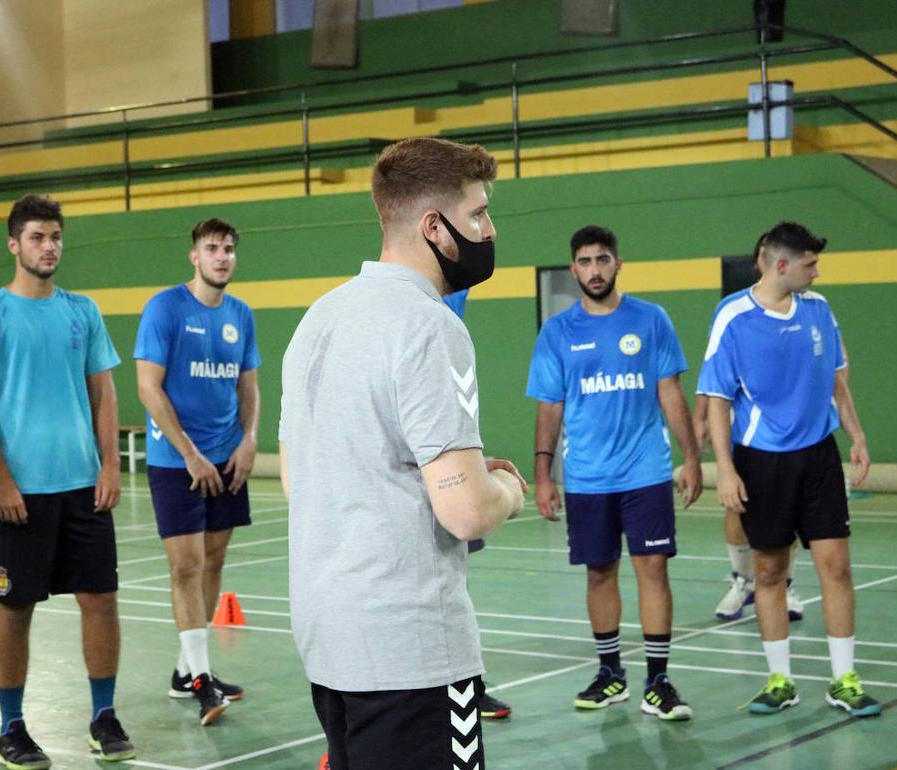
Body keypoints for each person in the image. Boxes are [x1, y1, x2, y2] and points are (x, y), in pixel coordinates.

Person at [279, 137, 526, 770]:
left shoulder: (319, 319)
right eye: (477, 215)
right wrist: (506, 491)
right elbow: (467, 512)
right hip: (412, 650)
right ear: (433, 227)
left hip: (328, 642)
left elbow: (299, 476)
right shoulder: (430, 325)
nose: (489, 230)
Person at [0, 194, 133, 768]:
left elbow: (103, 392)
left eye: (54, 236)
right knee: (17, 606)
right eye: (36, 236)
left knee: (100, 599)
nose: (48, 246)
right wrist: (2, 480)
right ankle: (11, 726)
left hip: (84, 486)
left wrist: (110, 464)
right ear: (13, 244)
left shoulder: (82, 311)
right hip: (20, 493)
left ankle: (103, 716)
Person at [698, 221, 880, 717]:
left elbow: (838, 379)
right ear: (782, 265)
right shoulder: (732, 316)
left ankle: (844, 679)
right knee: (770, 571)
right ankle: (780, 680)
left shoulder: (819, 311)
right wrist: (727, 470)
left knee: (836, 567)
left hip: (818, 456)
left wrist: (856, 435)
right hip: (761, 461)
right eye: (809, 264)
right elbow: (716, 398)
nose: (816, 272)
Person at [527, 224, 701, 721]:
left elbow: (670, 392)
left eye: (603, 260)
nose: (594, 270)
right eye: (584, 262)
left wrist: (690, 457)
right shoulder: (557, 332)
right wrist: (543, 475)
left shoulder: (651, 319)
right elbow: (549, 408)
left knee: (653, 568)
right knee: (599, 573)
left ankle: (659, 681)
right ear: (573, 269)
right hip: (586, 477)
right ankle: (610, 674)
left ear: (617, 263)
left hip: (645, 470)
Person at [134, 217, 259, 725]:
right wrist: (189, 453)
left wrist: (249, 442)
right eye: (212, 248)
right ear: (194, 256)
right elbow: (148, 387)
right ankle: (204, 684)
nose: (222, 256)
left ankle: (188, 671)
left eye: (229, 248)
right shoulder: (165, 308)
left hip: (228, 459)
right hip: (176, 461)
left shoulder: (241, 315)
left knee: (211, 564)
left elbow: (247, 385)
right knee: (185, 567)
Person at [692, 237, 804, 623]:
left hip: (794, 438)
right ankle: (741, 581)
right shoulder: (732, 314)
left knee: (787, 514)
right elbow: (712, 375)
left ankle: (785, 585)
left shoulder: (804, 312)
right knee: (736, 507)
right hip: (744, 435)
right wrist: (701, 420)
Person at [445, 288, 513, 721]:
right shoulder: (423, 309)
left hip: (447, 469)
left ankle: (466, 688)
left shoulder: (450, 312)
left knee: (455, 589)